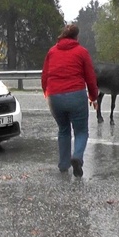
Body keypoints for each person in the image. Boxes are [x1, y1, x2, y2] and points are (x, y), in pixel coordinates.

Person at [41, 24, 99, 177]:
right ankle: (77, 157)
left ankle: (63, 164)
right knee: (81, 131)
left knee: (63, 129)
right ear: (76, 37)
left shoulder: (52, 51)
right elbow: (90, 78)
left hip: (55, 96)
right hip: (76, 95)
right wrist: (93, 97)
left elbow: (45, 76)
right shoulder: (82, 52)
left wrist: (47, 93)